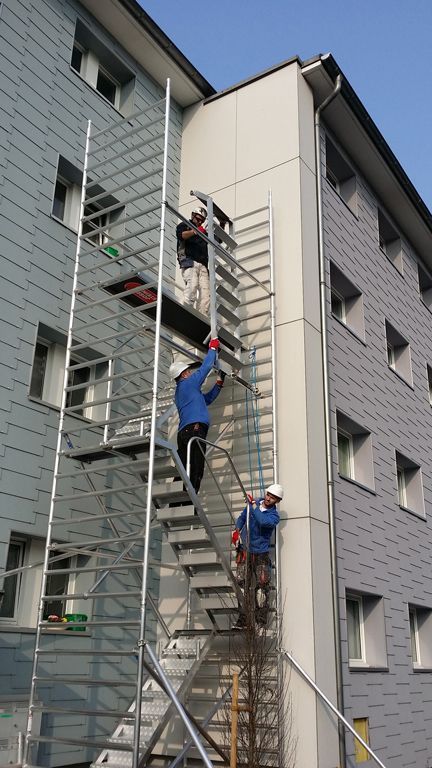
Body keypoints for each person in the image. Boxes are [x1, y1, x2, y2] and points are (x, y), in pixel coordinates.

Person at [169, 339, 224, 496]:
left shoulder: (183, 392)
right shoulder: (188, 383)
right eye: (189, 371)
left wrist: (219, 384)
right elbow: (205, 368)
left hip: (185, 432)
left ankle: (176, 501)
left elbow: (206, 400)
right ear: (184, 374)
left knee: (183, 468)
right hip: (194, 429)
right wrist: (212, 348)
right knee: (196, 466)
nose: (191, 372)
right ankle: (189, 501)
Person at [232, 483, 283, 630]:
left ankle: (260, 622)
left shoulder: (274, 517)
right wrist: (237, 531)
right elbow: (242, 518)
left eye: (273, 498)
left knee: (261, 589)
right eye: (268, 495)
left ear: (277, 501)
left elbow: (261, 520)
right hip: (245, 550)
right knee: (242, 586)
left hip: (260, 553)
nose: (268, 499)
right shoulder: (254, 504)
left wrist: (253, 505)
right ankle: (243, 620)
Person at [176, 207, 210, 315]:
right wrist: (195, 231)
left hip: (203, 265)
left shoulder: (204, 233)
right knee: (192, 286)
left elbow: (218, 241)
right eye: (198, 219)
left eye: (202, 220)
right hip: (189, 261)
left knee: (206, 294)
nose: (200, 222)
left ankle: (202, 316)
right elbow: (181, 235)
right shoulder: (185, 225)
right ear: (192, 215)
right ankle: (184, 311)